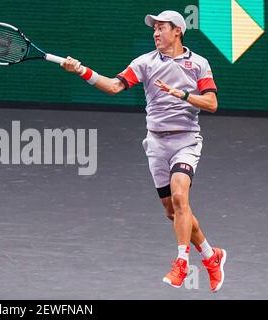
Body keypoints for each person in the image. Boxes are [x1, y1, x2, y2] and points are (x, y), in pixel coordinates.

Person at [61, 10, 226, 292]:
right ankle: (212, 256)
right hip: (156, 144)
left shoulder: (198, 63)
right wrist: (81, 70)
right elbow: (113, 87)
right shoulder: (144, 63)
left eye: (161, 28)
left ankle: (182, 263)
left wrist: (183, 95)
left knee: (179, 195)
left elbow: (211, 104)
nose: (156, 33)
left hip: (186, 140)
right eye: (154, 29)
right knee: (174, 212)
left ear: (177, 31)